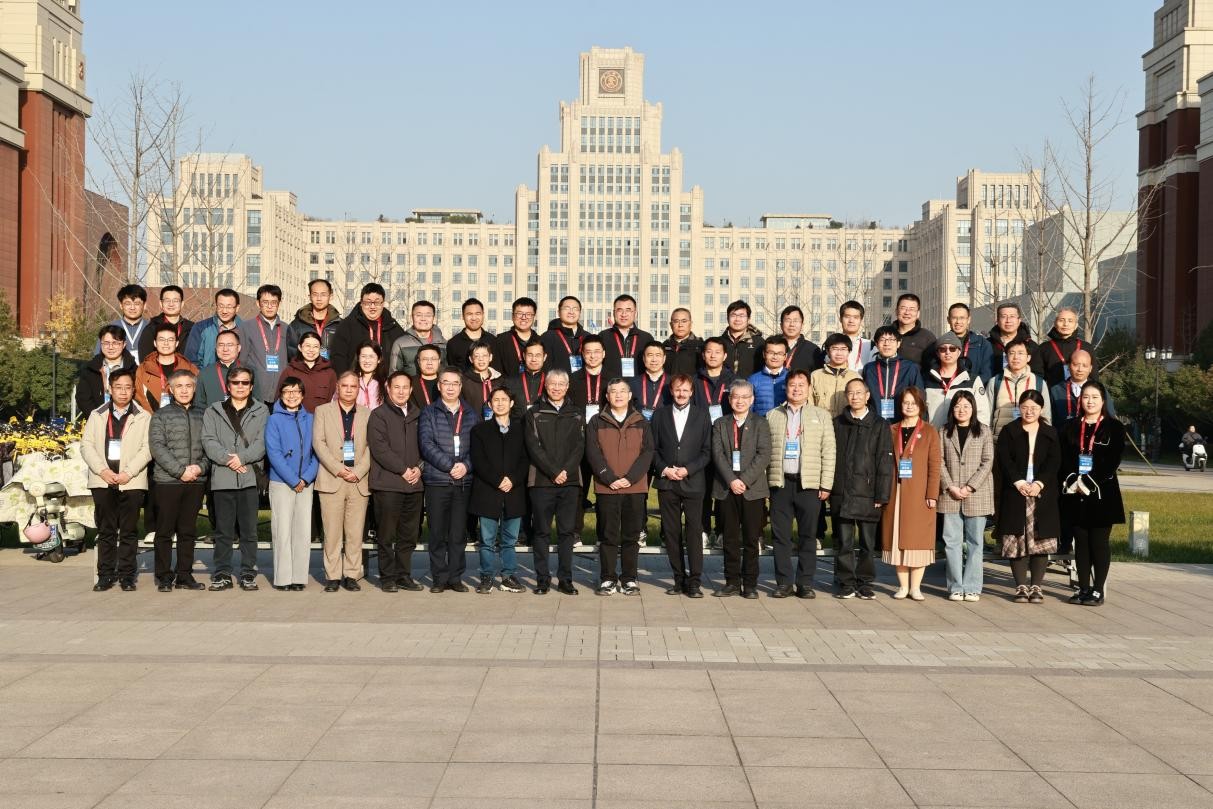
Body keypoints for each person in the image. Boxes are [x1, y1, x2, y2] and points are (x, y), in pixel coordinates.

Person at [765, 369, 836, 599]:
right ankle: (784, 583)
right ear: (786, 388)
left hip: (810, 485)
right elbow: (765, 452)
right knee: (781, 537)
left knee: (808, 536)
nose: (796, 389)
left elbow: (829, 451)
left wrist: (826, 484)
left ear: (808, 389)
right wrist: (766, 483)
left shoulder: (821, 415)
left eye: (801, 385)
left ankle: (805, 583)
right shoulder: (773, 415)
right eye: (792, 385)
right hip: (780, 484)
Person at [80, 368, 151, 591]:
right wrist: (102, 470)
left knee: (129, 530)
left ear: (133, 390)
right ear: (110, 389)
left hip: (131, 480)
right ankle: (105, 575)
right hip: (103, 480)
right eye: (118, 387)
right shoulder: (97, 414)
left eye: (128, 387)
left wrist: (128, 472)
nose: (123, 392)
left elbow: (147, 449)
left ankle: (127, 576)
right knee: (106, 530)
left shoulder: (143, 416)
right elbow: (86, 445)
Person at [201, 365, 268, 591]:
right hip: (222, 478)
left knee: (249, 531)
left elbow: (262, 442)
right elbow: (208, 440)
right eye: (236, 382)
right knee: (223, 531)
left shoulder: (261, 411)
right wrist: (229, 459)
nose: (240, 386)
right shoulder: (213, 411)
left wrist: (242, 458)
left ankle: (248, 572)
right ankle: (222, 573)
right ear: (228, 386)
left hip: (249, 477)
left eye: (245, 382)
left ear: (251, 386)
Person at [586, 377, 654, 595]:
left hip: (634, 487)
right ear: (607, 396)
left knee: (631, 536)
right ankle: (607, 578)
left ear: (629, 395)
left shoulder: (641, 421)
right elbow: (592, 451)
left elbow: (648, 452)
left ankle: (629, 578)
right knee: (608, 535)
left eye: (622, 391)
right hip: (607, 487)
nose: (618, 395)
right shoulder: (597, 421)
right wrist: (608, 477)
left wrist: (631, 478)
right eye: (613, 391)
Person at [1059, 381, 1125, 606]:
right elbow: (1064, 457)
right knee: (1081, 543)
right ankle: (1083, 588)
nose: (1090, 401)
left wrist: (1089, 480)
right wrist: (1072, 479)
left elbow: (1112, 460)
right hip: (1074, 492)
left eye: (1095, 397)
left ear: (1103, 401)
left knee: (1099, 542)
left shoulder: (1114, 427)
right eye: (1086, 397)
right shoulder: (1069, 427)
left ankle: (1098, 590)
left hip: (1102, 494)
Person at [996, 389, 1061, 603]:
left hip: (1042, 492)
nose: (1029, 411)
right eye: (1025, 407)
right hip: (1015, 491)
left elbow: (1054, 461)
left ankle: (1037, 586)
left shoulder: (1050, 432)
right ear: (1019, 408)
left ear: (1041, 409)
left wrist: (1039, 483)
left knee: (1040, 540)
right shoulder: (1009, 431)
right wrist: (1019, 482)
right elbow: (1004, 459)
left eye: (1034, 408)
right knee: (1017, 539)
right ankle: (1021, 586)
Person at [831, 378, 893, 600]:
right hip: (842, 491)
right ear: (846, 396)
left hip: (869, 493)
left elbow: (885, 461)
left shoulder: (879, 425)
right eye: (850, 393)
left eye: (859, 393)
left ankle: (865, 582)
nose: (855, 396)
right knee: (844, 542)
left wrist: (882, 493)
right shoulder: (838, 423)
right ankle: (845, 582)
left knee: (867, 543)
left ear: (867, 396)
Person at [147, 369, 209, 592]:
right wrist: (180, 471)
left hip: (196, 481)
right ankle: (164, 576)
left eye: (188, 386)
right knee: (164, 531)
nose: (184, 390)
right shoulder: (160, 415)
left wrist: (200, 468)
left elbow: (210, 446)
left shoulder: (204, 415)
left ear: (194, 388)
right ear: (171, 390)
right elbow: (157, 447)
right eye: (179, 386)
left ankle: (184, 575)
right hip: (168, 482)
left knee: (187, 531)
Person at [525, 369, 585, 594]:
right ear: (546, 386)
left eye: (561, 384)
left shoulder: (576, 413)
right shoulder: (534, 413)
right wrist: (553, 471)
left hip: (569, 482)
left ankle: (565, 579)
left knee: (566, 532)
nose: (557, 388)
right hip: (542, 481)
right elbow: (533, 446)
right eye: (553, 384)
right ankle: (542, 579)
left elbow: (580, 446)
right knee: (541, 531)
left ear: (567, 387)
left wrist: (565, 471)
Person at [651, 374, 712, 597]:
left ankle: (694, 581)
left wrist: (688, 469)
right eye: (677, 389)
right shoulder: (660, 415)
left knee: (694, 532)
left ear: (692, 392)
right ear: (671, 391)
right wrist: (664, 469)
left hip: (693, 482)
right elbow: (652, 449)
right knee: (671, 532)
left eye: (685, 390)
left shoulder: (702, 416)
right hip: (667, 482)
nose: (681, 394)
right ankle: (679, 579)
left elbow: (707, 451)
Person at [419, 367, 479, 592]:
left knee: (457, 533)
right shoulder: (429, 412)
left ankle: (455, 577)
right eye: (446, 383)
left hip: (463, 482)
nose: (450, 387)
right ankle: (439, 578)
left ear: (461, 387)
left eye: (455, 383)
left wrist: (466, 466)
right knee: (437, 532)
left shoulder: (471, 414)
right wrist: (449, 466)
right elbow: (426, 444)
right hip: (437, 480)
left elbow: (478, 446)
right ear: (439, 386)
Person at [711, 379, 771, 598]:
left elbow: (764, 454)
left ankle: (750, 584)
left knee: (751, 539)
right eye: (736, 397)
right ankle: (732, 582)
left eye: (745, 397)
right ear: (729, 399)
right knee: (730, 539)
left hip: (752, 489)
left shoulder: (761, 423)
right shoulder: (720, 423)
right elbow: (717, 454)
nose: (740, 401)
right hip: (727, 489)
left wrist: (743, 480)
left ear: (752, 400)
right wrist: (731, 480)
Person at [881, 386, 941, 601]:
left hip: (919, 493)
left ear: (921, 406)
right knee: (896, 538)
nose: (909, 406)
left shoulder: (930, 431)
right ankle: (903, 586)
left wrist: (932, 494)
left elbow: (935, 466)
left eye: (913, 403)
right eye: (905, 402)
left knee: (918, 540)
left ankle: (916, 587)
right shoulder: (891, 429)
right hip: (895, 492)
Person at [313, 371, 371, 592]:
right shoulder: (322, 411)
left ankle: (352, 574)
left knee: (355, 532)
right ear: (337, 387)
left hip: (358, 479)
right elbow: (319, 443)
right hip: (332, 478)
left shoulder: (367, 414)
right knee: (332, 532)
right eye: (345, 386)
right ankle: (333, 575)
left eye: (353, 386)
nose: (348, 390)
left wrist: (359, 470)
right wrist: (338, 469)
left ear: (358, 390)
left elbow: (372, 447)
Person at [368, 371, 425, 593]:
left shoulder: (419, 415)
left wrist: (419, 468)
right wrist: (403, 470)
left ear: (411, 390)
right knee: (386, 534)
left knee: (408, 535)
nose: (401, 391)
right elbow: (379, 448)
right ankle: (387, 577)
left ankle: (403, 575)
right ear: (388, 389)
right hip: (388, 484)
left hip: (414, 484)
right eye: (396, 387)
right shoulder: (378, 415)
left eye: (405, 387)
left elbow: (427, 444)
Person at [470, 385, 530, 593]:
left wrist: (512, 479)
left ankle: (508, 576)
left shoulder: (521, 430)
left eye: (504, 399)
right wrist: (498, 480)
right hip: (488, 491)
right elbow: (479, 460)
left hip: (514, 491)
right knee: (487, 540)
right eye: (496, 400)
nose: (500, 403)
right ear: (489, 404)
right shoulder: (479, 430)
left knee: (509, 540)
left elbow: (525, 459)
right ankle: (486, 576)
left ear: (511, 403)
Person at [938, 391, 995, 601]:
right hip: (950, 494)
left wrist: (970, 487)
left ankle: (972, 586)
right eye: (957, 406)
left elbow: (987, 462)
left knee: (975, 543)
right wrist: (950, 486)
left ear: (973, 409)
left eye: (966, 406)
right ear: (952, 409)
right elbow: (939, 461)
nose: (961, 410)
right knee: (951, 542)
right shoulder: (944, 431)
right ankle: (955, 586)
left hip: (977, 494)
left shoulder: (984, 431)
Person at [265, 375, 318, 591]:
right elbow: (274, 453)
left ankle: (298, 577)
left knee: (302, 531)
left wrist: (306, 478)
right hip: (282, 483)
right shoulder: (274, 420)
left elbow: (317, 451)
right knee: (282, 530)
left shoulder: (311, 419)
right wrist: (293, 479)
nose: (292, 396)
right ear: (281, 395)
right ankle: (283, 578)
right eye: (287, 392)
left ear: (302, 395)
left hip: (306, 482)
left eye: (296, 391)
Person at [328, 283, 405, 375]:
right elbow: (338, 357)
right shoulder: (347, 325)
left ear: (383, 303)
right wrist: (346, 379)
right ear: (361, 303)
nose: (372, 307)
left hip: (385, 381)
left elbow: (403, 357)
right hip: (355, 380)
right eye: (368, 303)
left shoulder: (392, 326)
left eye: (377, 302)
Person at [238, 284, 294, 403]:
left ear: (279, 304)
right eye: (265, 302)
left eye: (274, 302)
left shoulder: (287, 328)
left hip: (281, 393)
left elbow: (291, 360)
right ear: (258, 303)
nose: (269, 306)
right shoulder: (246, 327)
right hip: (256, 393)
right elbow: (242, 360)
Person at [924, 333, 991, 428]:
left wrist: (977, 434)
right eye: (943, 349)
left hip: (963, 435)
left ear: (959, 352)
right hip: (934, 434)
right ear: (938, 353)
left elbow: (982, 413)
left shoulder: (972, 380)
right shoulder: (927, 379)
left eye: (952, 349)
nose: (947, 352)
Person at [991, 339, 1051, 438]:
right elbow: (987, 414)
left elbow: (1046, 415)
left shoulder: (1039, 382)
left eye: (1020, 353)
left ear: (1028, 357)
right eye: (1012, 353)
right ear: (1006, 357)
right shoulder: (995, 381)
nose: (1016, 357)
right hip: (1000, 438)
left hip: (1031, 439)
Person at [863, 325, 924, 422]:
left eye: (891, 340)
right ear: (877, 344)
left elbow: (919, 398)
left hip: (902, 423)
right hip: (875, 424)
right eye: (882, 340)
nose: (887, 344)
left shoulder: (910, 368)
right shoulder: (869, 369)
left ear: (898, 343)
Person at [134, 323, 200, 412]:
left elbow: (197, 398)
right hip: (152, 418)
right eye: (161, 339)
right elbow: (140, 398)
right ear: (155, 343)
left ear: (177, 343)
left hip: (184, 418)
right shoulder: (143, 369)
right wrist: (154, 418)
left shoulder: (190, 369)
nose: (166, 343)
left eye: (170, 340)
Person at [76, 325, 136, 416]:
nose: (110, 347)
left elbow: (138, 398)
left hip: (128, 420)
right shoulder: (90, 369)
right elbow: (83, 399)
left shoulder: (134, 369)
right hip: (97, 420)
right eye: (106, 343)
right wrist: (98, 417)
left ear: (124, 344)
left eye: (115, 343)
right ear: (101, 344)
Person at [1032, 306, 1093, 388]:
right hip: (1053, 394)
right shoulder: (1044, 348)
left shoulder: (1086, 347)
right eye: (1061, 320)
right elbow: (1037, 378)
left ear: (1076, 325)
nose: (1065, 324)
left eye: (1070, 321)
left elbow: (1093, 377)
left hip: (1083, 393)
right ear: (1055, 323)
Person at [933, 302, 993, 384]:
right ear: (948, 320)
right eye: (954, 318)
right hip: (947, 388)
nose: (958, 322)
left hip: (974, 389)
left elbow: (987, 374)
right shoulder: (940, 344)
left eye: (962, 318)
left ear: (969, 319)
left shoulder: (982, 344)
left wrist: (969, 386)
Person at [1049, 349, 1113, 426]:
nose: (1080, 369)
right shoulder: (1056, 390)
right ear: (1068, 366)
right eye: (1076, 365)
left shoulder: (1099, 390)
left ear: (1090, 368)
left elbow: (1110, 417)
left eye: (1085, 366)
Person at [599, 294, 654, 380]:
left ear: (635, 313)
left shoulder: (646, 338)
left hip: (639, 386)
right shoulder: (603, 336)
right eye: (619, 310)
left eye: (628, 310)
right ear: (614, 313)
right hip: (611, 386)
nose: (624, 314)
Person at [279, 331, 337, 412]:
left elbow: (334, 402)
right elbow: (279, 400)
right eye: (307, 346)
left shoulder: (330, 373)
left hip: (321, 418)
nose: (311, 350)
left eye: (315, 346)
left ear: (320, 349)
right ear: (300, 347)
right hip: (295, 419)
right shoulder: (289, 372)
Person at [184, 288, 241, 369]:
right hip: (207, 376)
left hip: (238, 376)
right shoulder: (200, 328)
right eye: (221, 306)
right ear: (216, 306)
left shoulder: (246, 329)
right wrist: (205, 375)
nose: (224, 311)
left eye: (229, 307)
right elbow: (191, 360)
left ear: (237, 308)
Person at [390, 299, 448, 377]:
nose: (423, 319)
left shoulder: (444, 344)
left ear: (433, 318)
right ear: (412, 317)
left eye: (428, 315)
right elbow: (394, 374)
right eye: (418, 315)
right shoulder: (400, 343)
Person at [288, 278, 342, 362]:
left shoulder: (340, 325)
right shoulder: (297, 325)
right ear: (310, 296)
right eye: (315, 294)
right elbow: (291, 354)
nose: (319, 298)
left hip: (331, 370)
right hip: (305, 370)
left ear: (331, 296)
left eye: (323, 294)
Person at [137, 285, 195, 361]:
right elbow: (145, 359)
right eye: (167, 300)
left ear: (182, 304)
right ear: (161, 304)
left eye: (175, 301)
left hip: (186, 368)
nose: (171, 304)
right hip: (158, 368)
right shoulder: (152, 328)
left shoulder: (192, 328)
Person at [810, 333, 861, 417]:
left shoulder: (855, 377)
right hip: (821, 423)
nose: (839, 353)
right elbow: (809, 405)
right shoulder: (815, 376)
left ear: (849, 352)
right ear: (827, 351)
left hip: (846, 423)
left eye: (843, 349)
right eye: (835, 349)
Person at [493, 297, 542, 377]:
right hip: (508, 384)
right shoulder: (501, 341)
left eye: (528, 314)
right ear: (512, 316)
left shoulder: (541, 341)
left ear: (534, 317)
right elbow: (496, 372)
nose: (524, 317)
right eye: (519, 313)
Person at [987, 301, 1036, 379]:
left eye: (1012, 316)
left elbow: (1037, 373)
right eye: (1004, 316)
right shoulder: (987, 345)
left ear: (1019, 320)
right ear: (998, 321)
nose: (1008, 320)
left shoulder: (1031, 345)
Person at [195, 329, 242, 410]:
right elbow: (199, 405)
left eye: (230, 345)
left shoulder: (250, 371)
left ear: (238, 348)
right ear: (216, 348)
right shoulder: (205, 373)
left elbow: (258, 403)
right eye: (221, 345)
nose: (225, 349)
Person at [101, 283, 149, 364]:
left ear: (144, 305)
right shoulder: (109, 329)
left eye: (137, 303)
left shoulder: (152, 328)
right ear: (121, 305)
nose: (132, 307)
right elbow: (99, 358)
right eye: (128, 303)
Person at [446, 297, 494, 374]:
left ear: (483, 315)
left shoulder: (493, 340)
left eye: (477, 314)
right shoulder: (453, 343)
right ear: (463, 316)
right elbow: (452, 373)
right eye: (469, 314)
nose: (474, 318)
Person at [541, 295, 587, 374]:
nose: (571, 312)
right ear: (558, 312)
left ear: (580, 313)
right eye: (566, 308)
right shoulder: (547, 337)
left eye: (575, 309)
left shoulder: (587, 337)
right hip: (557, 381)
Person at [692, 336, 734, 419]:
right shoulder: (694, 380)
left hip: (727, 426)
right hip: (701, 425)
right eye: (709, 352)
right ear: (703, 355)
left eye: (717, 352)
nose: (713, 356)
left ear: (725, 356)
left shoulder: (735, 380)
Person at [720, 299, 763, 379]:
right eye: (733, 315)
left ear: (748, 319)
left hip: (751, 385)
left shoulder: (759, 343)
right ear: (727, 318)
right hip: (723, 386)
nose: (737, 319)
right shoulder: (719, 343)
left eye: (741, 316)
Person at [461, 341, 503, 419]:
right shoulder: (464, 381)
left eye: (484, 355)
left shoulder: (500, 380)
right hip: (473, 423)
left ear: (490, 357)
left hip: (496, 422)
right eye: (477, 356)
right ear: (471, 359)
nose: (481, 359)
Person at [629, 342, 671, 419]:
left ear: (664, 358)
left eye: (658, 355)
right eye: (650, 355)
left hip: (664, 424)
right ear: (644, 358)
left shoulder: (672, 382)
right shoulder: (633, 383)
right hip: (640, 425)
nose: (654, 360)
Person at [748, 336, 788, 416]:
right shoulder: (753, 380)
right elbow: (748, 409)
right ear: (764, 354)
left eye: (779, 353)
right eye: (771, 352)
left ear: (785, 356)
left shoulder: (791, 378)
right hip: (760, 422)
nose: (775, 357)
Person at [893, 293, 936, 366]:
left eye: (911, 309)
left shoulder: (927, 337)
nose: (907, 312)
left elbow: (933, 366)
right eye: (903, 308)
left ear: (918, 314)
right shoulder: (886, 334)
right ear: (896, 311)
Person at [570, 334, 608, 415]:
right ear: (583, 354)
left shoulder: (614, 380)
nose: (592, 356)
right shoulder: (572, 379)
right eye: (588, 352)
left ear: (603, 353)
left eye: (597, 352)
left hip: (605, 423)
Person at [507, 341, 547, 416]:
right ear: (524, 356)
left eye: (538, 355)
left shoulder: (551, 382)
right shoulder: (510, 382)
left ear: (544, 357)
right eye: (530, 355)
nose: (533, 359)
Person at [662, 307, 703, 378]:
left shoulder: (700, 346)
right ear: (671, 325)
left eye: (684, 321)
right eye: (676, 321)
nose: (680, 325)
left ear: (691, 323)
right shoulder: (664, 346)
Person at [836, 301, 871, 373]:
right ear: (840, 319)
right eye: (847, 317)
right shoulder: (832, 345)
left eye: (856, 317)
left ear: (861, 321)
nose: (851, 321)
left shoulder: (870, 345)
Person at [353, 340, 385, 409]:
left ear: (379, 359)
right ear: (358, 358)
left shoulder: (386, 383)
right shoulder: (350, 381)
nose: (367, 360)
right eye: (363, 356)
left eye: (371, 356)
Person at [410, 344, 442, 409]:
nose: (429, 363)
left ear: (439, 361)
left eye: (433, 359)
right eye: (425, 359)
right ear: (418, 362)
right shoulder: (410, 383)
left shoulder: (447, 381)